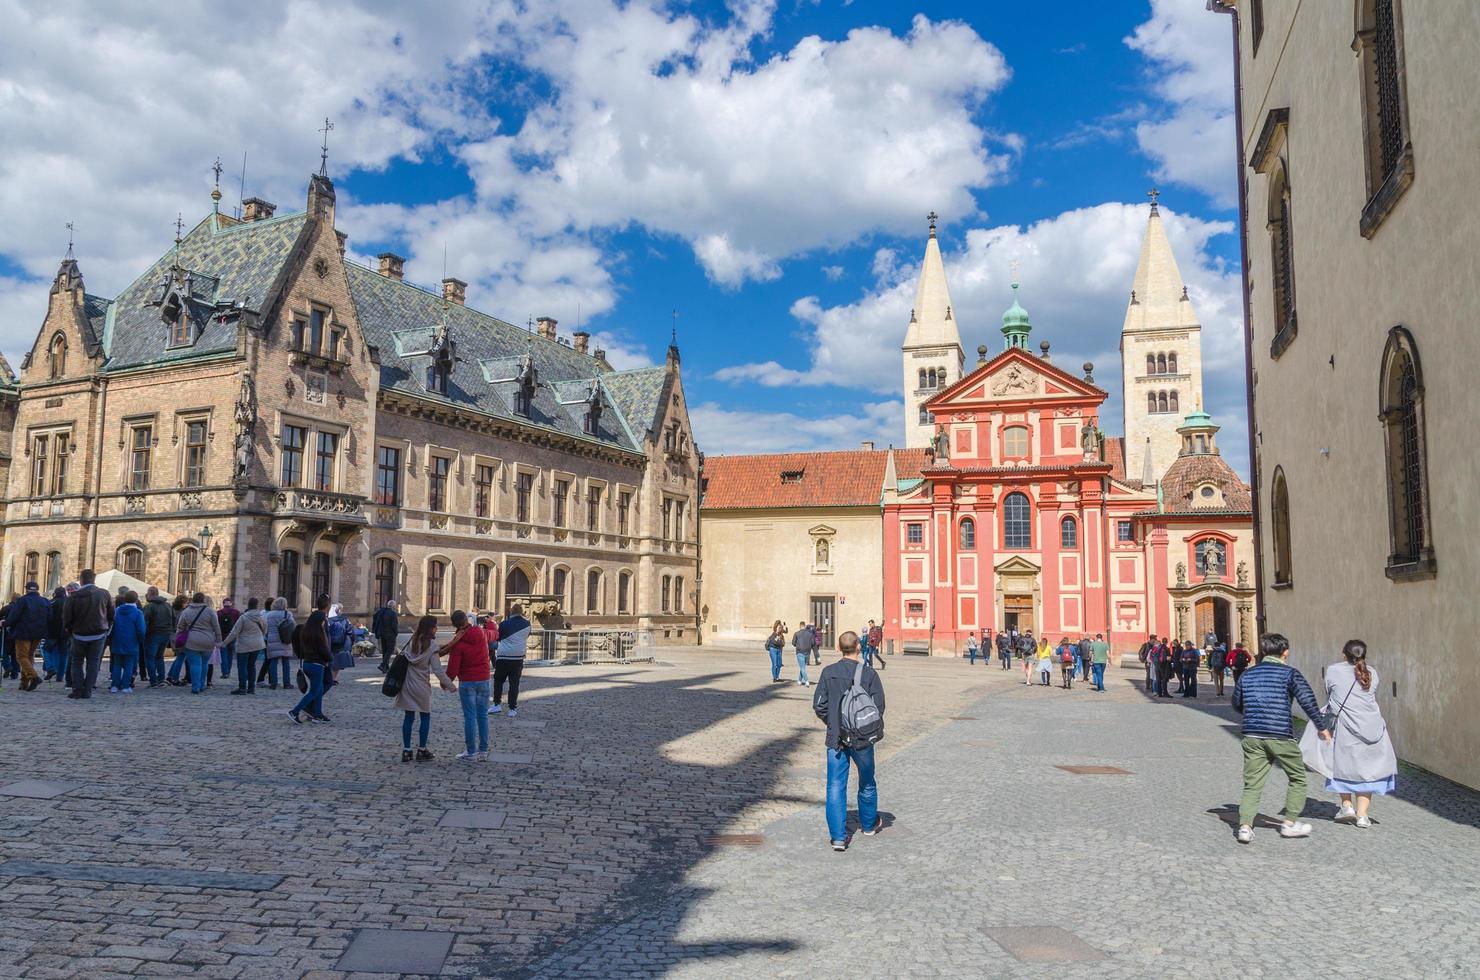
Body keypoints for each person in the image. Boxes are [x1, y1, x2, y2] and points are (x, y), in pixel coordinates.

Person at [1231, 632, 1331, 843]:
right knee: (1297, 777)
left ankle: (1245, 827)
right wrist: (1322, 727)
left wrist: (1252, 716)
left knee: (1252, 783)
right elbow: (1308, 701)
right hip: (1280, 735)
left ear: (1264, 651)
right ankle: (1290, 823)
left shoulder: (1247, 675)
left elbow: (1237, 703)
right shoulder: (1290, 674)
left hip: (1252, 735)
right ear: (1285, 652)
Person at [812, 630, 885, 851]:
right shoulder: (869, 674)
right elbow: (878, 707)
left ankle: (838, 838)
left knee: (835, 786)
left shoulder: (828, 672)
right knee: (867, 780)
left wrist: (834, 723)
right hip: (862, 739)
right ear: (859, 647)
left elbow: (819, 706)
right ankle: (870, 824)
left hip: (836, 738)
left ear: (838, 648)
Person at [1325, 640, 1397, 830]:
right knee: (1368, 771)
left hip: (1346, 726)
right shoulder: (1372, 672)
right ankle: (1363, 815)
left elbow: (1330, 694)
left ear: (1344, 654)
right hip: (1372, 726)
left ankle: (1347, 806)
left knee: (1342, 766)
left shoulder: (1333, 671)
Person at [396, 615, 454, 762]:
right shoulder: (432, 646)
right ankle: (422, 749)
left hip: (408, 684)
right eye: (435, 626)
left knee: (408, 717)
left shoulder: (411, 642)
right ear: (431, 628)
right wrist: (450, 685)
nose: (437, 628)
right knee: (425, 717)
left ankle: (406, 750)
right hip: (421, 686)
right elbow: (438, 670)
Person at [443, 610, 491, 760]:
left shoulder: (458, 642)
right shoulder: (480, 633)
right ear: (467, 619)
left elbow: (453, 667)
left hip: (468, 681)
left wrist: (446, 681)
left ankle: (471, 751)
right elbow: (493, 635)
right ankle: (483, 751)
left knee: (470, 716)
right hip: (483, 678)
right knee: (482, 715)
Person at [64, 569, 114, 699]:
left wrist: (70, 631)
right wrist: (106, 628)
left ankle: (77, 689)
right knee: (93, 663)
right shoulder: (104, 594)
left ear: (81, 580)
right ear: (94, 579)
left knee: (76, 662)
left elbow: (67, 618)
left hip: (78, 634)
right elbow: (111, 614)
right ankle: (87, 690)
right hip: (98, 633)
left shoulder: (73, 597)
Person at [288, 594, 332, 722]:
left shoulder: (307, 629)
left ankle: (317, 713)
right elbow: (323, 647)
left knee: (319, 689)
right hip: (317, 664)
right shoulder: (319, 632)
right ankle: (295, 711)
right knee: (314, 691)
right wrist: (329, 658)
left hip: (308, 663)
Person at [175, 592, 222, 695]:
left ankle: (195, 686)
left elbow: (180, 627)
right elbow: (216, 627)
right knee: (205, 663)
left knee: (195, 664)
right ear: (203, 600)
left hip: (191, 641)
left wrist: (178, 638)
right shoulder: (210, 611)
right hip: (208, 641)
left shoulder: (186, 611)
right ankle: (202, 684)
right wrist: (219, 640)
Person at [7, 581, 50, 692]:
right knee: (29, 656)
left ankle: (34, 677)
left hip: (23, 632)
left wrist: (6, 623)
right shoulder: (45, 601)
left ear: (26, 589)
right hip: (38, 633)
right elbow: (50, 617)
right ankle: (24, 683)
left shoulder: (23, 601)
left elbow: (14, 616)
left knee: (21, 657)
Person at [491, 602, 530, 717]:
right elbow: (526, 636)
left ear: (511, 612)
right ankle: (512, 708)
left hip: (504, 656)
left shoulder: (503, 624)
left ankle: (497, 704)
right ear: (521, 612)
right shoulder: (527, 624)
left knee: (498, 681)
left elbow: (500, 637)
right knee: (514, 683)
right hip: (518, 657)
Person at [223, 598, 269, 695]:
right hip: (257, 644)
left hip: (244, 644)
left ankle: (242, 687)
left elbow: (234, 632)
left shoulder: (243, 617)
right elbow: (265, 629)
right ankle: (251, 688)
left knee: (242, 666)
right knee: (252, 666)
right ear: (257, 605)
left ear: (248, 605)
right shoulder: (261, 617)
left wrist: (225, 643)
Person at [106, 590, 146, 693]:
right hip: (131, 641)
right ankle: (125, 686)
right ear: (136, 600)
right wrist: (140, 639)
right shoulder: (138, 613)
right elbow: (141, 629)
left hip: (117, 640)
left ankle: (114, 685)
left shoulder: (117, 610)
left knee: (117, 664)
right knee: (129, 664)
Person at [141, 587, 173, 688]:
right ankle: (161, 679)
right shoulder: (167, 605)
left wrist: (143, 634)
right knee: (159, 657)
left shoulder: (150, 606)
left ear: (150, 594)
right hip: (166, 634)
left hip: (153, 634)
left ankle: (153, 681)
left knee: (150, 658)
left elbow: (144, 621)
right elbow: (174, 619)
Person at [261, 598, 296, 690]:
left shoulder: (269, 615)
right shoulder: (287, 614)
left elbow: (265, 627)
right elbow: (293, 626)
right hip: (285, 640)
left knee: (273, 662)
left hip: (272, 640)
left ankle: (273, 683)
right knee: (286, 662)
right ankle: (287, 683)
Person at [43, 586, 69, 686]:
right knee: (63, 654)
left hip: (52, 632)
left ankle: (50, 668)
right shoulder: (69, 601)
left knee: (46, 650)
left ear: (55, 594)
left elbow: (46, 617)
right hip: (65, 632)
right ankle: (60, 676)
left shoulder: (51, 603)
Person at [165, 593, 189, 686]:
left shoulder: (171, 609)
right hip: (179, 635)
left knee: (179, 657)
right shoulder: (182, 612)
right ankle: (174, 678)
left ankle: (171, 675)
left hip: (172, 635)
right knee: (181, 657)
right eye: (186, 603)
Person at [373, 598, 400, 673]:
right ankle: (383, 664)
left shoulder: (381, 612)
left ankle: (386, 667)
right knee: (390, 650)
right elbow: (394, 625)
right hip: (390, 634)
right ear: (393, 606)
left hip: (382, 634)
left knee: (384, 651)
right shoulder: (393, 613)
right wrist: (396, 632)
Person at [216, 598, 241, 680]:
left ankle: (224, 672)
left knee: (223, 655)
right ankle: (228, 671)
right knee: (230, 654)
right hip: (232, 636)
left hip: (222, 636)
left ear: (223, 604)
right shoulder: (236, 612)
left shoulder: (219, 613)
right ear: (231, 603)